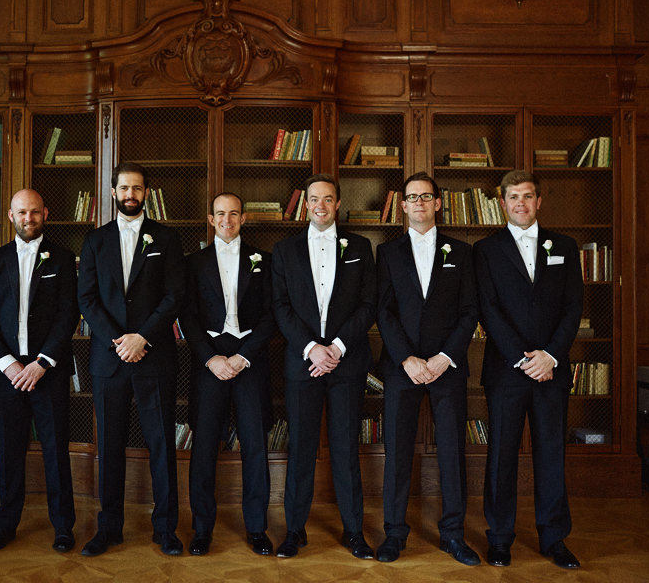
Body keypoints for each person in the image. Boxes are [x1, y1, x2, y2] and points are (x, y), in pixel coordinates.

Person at [474, 170, 583, 569]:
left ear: (539, 202)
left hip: (551, 371)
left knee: (551, 455)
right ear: (503, 203)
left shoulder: (565, 246)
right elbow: (488, 309)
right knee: (501, 457)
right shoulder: (485, 250)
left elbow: (573, 306)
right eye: (513, 197)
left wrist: (549, 356)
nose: (520, 203)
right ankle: (500, 538)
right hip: (507, 371)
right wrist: (523, 359)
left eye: (527, 196)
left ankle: (554, 538)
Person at [78, 161, 186, 557]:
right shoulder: (95, 240)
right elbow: (87, 299)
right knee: (109, 446)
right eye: (124, 188)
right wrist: (119, 341)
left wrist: (142, 337)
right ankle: (109, 528)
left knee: (162, 445)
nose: (130, 195)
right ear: (113, 192)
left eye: (137, 188)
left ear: (146, 193)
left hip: (154, 356)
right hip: (109, 360)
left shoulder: (167, 238)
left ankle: (166, 529)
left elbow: (175, 295)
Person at [375, 172, 480, 565]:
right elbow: (383, 311)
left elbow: (470, 311)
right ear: (402, 206)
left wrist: (443, 358)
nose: (419, 202)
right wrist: (407, 358)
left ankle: (453, 535)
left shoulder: (462, 252)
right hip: (402, 368)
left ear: (437, 203)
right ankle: (394, 534)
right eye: (412, 197)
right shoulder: (387, 253)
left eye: (426, 196)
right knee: (398, 452)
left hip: (446, 368)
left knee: (452, 452)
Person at [271, 174, 377, 560]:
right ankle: (293, 531)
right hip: (303, 364)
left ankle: (354, 532)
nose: (320, 205)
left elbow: (368, 303)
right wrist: (312, 349)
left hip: (346, 363)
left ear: (337, 204)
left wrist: (336, 347)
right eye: (314, 198)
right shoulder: (284, 250)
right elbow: (280, 306)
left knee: (347, 449)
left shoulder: (360, 247)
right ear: (306, 204)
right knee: (300, 448)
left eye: (328, 199)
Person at [0, 189, 79, 553]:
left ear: (45, 213)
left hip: (48, 371)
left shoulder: (63, 259)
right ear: (11, 216)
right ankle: (5, 525)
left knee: (56, 451)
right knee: (10, 452)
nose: (28, 218)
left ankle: (63, 527)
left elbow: (68, 314)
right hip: (8, 374)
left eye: (35, 212)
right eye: (22, 212)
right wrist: (9, 366)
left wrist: (42, 363)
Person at [179, 192, 277, 557]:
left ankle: (257, 528)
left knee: (255, 445)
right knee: (204, 446)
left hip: (250, 360)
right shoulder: (193, 263)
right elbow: (187, 316)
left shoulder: (264, 260)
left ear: (243, 218)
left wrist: (243, 357)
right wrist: (211, 359)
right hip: (209, 362)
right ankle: (202, 529)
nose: (227, 220)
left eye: (234, 214)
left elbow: (271, 315)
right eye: (220, 214)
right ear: (211, 218)